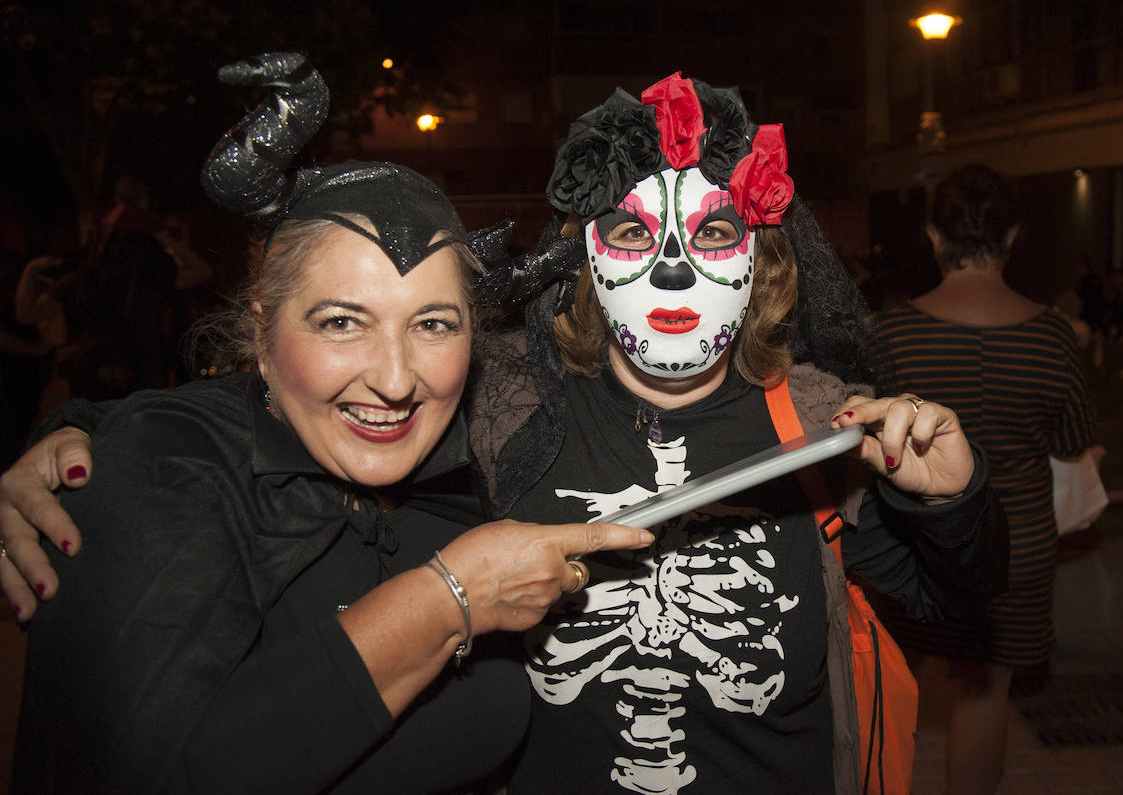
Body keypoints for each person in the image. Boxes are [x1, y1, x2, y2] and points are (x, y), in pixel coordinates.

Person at [2, 71, 1010, 795]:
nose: (670, 273)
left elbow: (956, 604)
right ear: (585, 256)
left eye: (710, 233)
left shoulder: (820, 423)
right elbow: (319, 414)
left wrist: (953, 497)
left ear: (764, 259)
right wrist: (93, 435)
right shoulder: (502, 406)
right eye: (629, 232)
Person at [4, 53, 654, 794]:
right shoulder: (169, 468)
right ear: (259, 332)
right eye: (342, 321)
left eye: (434, 324)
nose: (395, 378)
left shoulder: (483, 467)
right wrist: (450, 598)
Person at [867, 164, 1094, 795]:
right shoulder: (1054, 337)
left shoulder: (889, 333)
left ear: (935, 237)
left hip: (913, 542)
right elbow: (1074, 444)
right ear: (1013, 235)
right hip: (1015, 546)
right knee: (984, 689)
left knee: (887, 678)